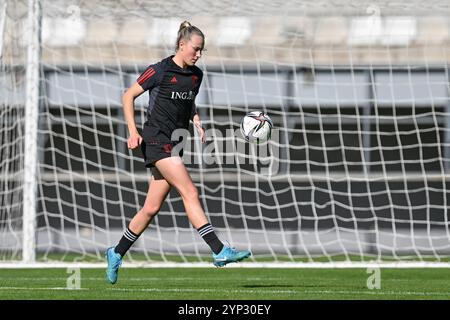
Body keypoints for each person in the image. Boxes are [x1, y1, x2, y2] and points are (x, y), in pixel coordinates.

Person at [105, 21, 251, 284]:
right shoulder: (159, 71)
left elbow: (189, 99)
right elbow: (128, 96)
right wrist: (132, 130)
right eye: (195, 49)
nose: (198, 54)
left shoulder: (196, 75)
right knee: (190, 192)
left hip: (175, 143)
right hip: (155, 139)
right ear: (182, 45)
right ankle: (219, 250)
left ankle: (116, 253)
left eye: (202, 50)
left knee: (150, 208)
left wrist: (196, 119)